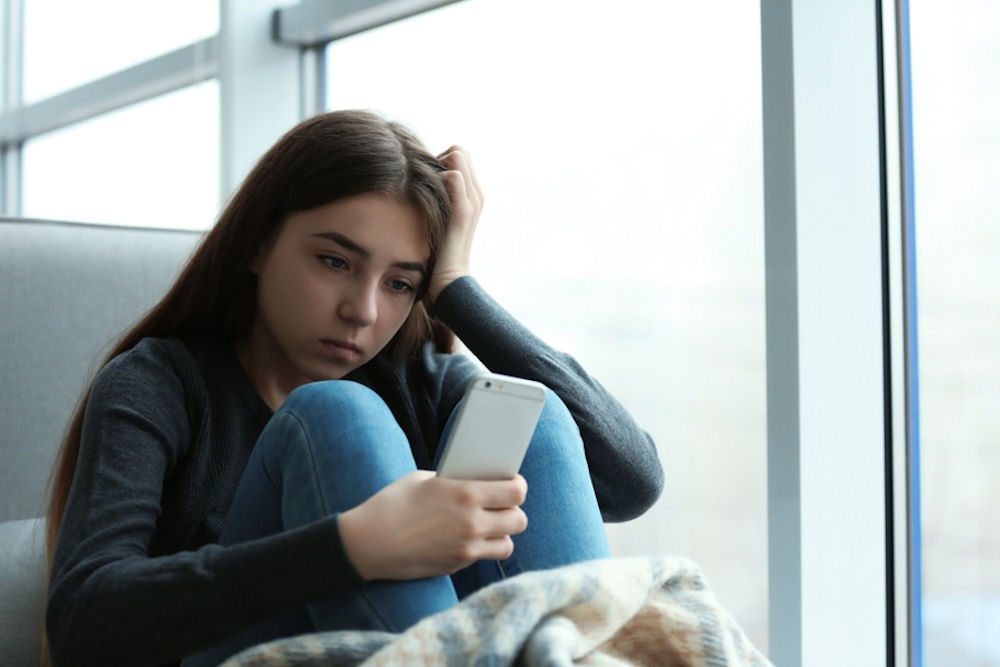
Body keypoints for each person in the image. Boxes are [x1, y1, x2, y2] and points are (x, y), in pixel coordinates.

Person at [44, 109, 664, 666]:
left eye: (400, 283)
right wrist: (355, 546)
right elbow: (82, 622)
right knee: (335, 415)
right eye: (335, 262)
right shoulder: (159, 383)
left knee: (534, 414)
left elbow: (631, 480)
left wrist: (456, 291)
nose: (363, 311)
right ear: (259, 243)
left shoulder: (419, 385)